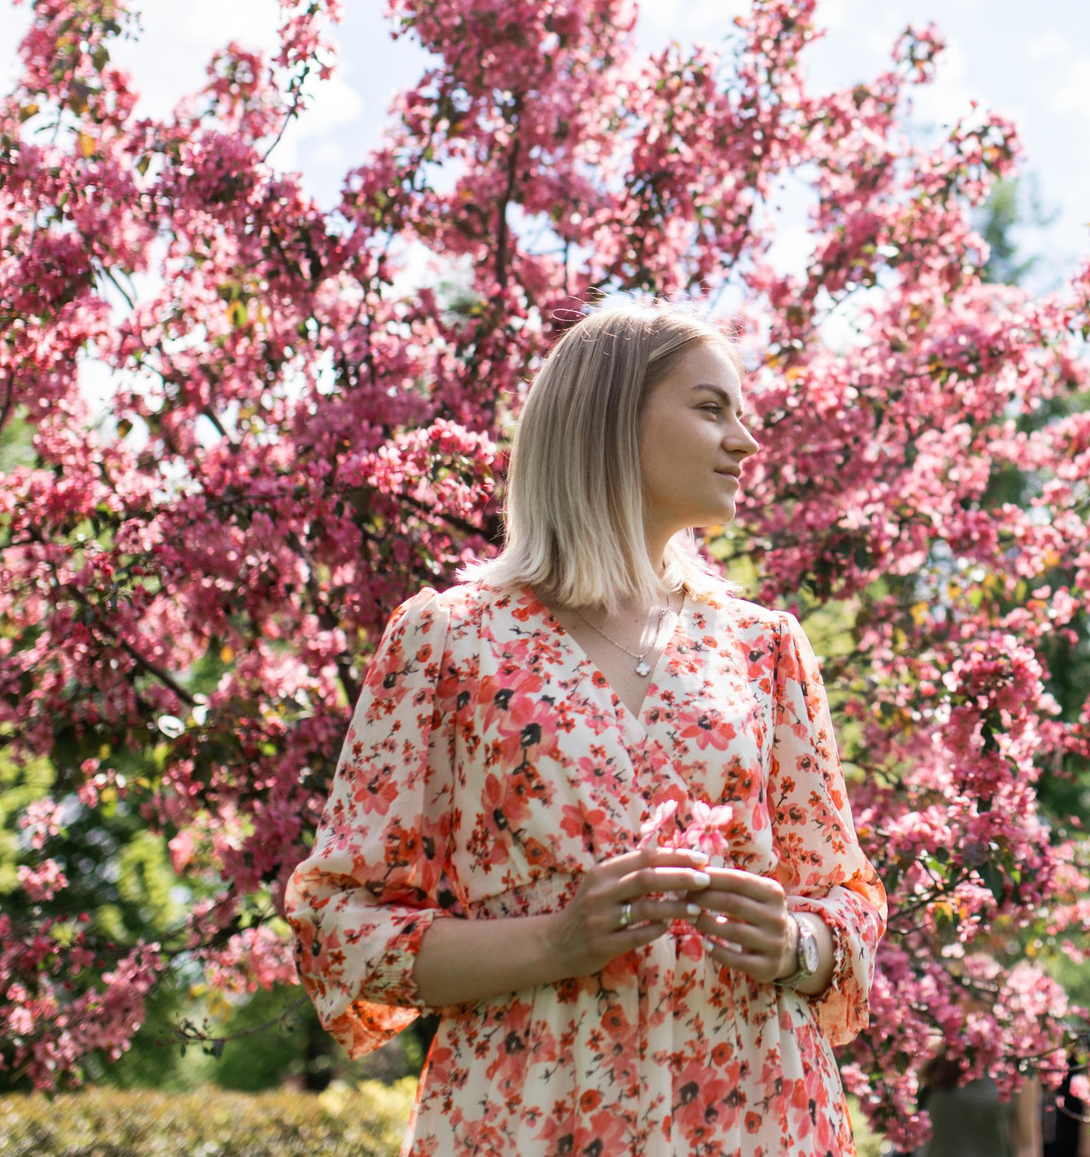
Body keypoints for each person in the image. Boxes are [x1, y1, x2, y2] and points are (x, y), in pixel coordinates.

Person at [286, 301, 887, 1154]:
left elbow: (849, 902)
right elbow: (337, 927)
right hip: (528, 1117)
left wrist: (797, 940)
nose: (747, 441)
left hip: (759, 1115)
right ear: (609, 419)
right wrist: (556, 940)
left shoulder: (765, 648)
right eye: (712, 407)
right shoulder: (449, 641)